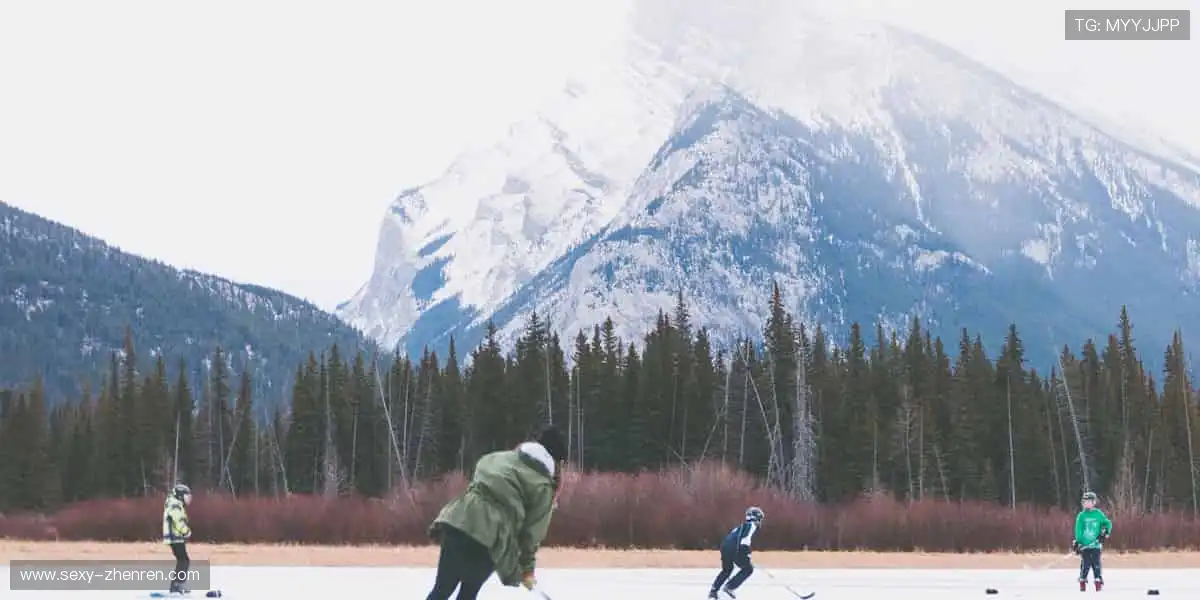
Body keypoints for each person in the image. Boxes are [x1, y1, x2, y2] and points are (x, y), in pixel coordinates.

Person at [425, 424, 568, 600]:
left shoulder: (497, 458)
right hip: (492, 537)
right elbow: (531, 535)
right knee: (468, 594)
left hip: (460, 519)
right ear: (557, 462)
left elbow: (479, 477)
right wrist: (527, 571)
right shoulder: (543, 487)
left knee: (441, 589)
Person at [709, 506, 764, 599]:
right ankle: (729, 587)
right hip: (735, 549)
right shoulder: (751, 526)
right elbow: (745, 541)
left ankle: (713, 591)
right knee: (748, 569)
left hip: (725, 547)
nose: (760, 522)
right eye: (760, 519)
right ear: (756, 518)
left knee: (727, 570)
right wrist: (747, 555)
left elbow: (732, 539)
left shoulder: (741, 526)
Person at [1071, 491, 1112, 591]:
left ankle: (1098, 581)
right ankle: (1082, 581)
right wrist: (1078, 542)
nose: (1086, 504)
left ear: (1094, 502)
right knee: (1085, 564)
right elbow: (1078, 530)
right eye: (1085, 502)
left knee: (1096, 564)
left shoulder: (1098, 514)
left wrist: (1105, 532)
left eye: (1089, 501)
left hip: (1096, 546)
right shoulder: (1081, 516)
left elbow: (1107, 523)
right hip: (1085, 545)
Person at [162, 483, 193, 596]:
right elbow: (177, 520)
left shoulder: (175, 503)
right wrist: (186, 531)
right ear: (180, 495)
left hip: (176, 537)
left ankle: (176, 585)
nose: (188, 499)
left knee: (182, 560)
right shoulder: (175, 505)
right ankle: (177, 585)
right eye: (186, 495)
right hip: (175, 537)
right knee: (184, 560)